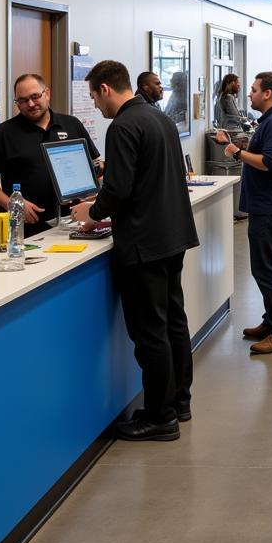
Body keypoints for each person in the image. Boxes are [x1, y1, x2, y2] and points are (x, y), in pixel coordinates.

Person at [72, 61, 199, 440]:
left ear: (105, 89)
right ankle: (179, 402)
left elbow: (119, 189)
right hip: (172, 235)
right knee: (174, 321)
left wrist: (91, 213)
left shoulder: (123, 126)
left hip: (144, 243)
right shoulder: (156, 117)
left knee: (149, 334)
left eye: (94, 97)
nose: (96, 106)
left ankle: (159, 418)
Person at [219, 71, 272, 355]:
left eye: (253, 90)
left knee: (265, 269)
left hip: (271, 206)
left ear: (267, 94)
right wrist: (241, 146)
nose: (249, 94)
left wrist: (235, 153)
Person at [0, 73, 99, 237]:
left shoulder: (71, 124)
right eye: (23, 100)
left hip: (74, 223)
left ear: (47, 93)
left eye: (35, 96)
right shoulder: (3, 133)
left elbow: (95, 167)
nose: (31, 104)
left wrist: (92, 203)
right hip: (25, 229)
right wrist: (13, 204)